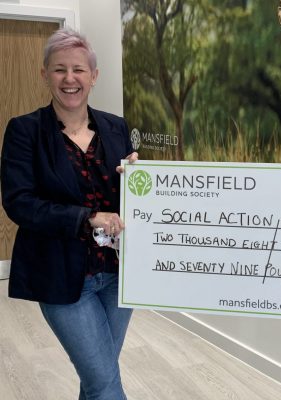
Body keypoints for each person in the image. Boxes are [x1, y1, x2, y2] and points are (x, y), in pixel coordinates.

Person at [1, 28, 137, 399]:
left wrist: (143, 180)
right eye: (59, 69)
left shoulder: (115, 127)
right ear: (45, 75)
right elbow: (19, 202)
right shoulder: (25, 131)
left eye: (79, 69)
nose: (69, 78)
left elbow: (130, 199)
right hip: (63, 279)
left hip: (120, 277)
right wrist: (87, 217)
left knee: (98, 375)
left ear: (93, 76)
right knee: (104, 381)